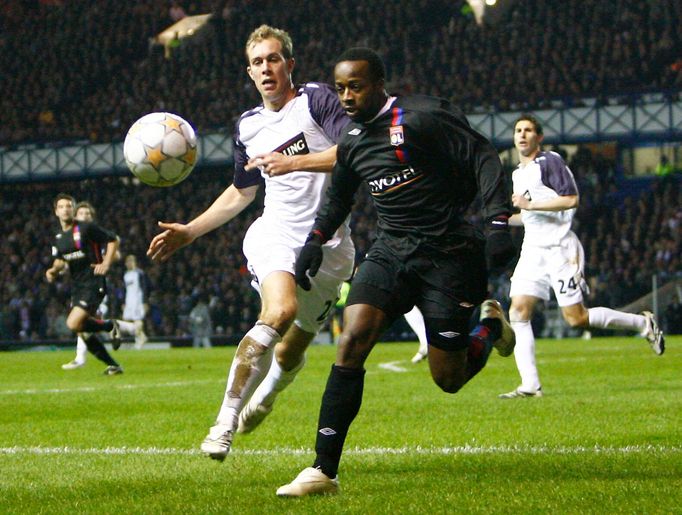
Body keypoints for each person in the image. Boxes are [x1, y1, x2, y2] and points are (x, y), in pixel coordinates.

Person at [276, 47, 517, 497]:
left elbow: (483, 155)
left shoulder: (422, 117)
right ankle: (322, 471)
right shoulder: (350, 142)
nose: (346, 96)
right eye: (341, 87)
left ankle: (488, 327)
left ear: (379, 83)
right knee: (352, 339)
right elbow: (339, 198)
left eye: (356, 86)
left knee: (449, 378)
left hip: (449, 254)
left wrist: (498, 220)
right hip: (391, 251)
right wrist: (314, 241)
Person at [147, 25, 355, 460]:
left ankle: (270, 392)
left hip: (329, 247)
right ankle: (223, 422)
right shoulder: (247, 126)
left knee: (295, 343)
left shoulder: (316, 101)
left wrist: (294, 160)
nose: (266, 68)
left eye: (274, 59)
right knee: (280, 311)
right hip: (275, 233)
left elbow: (353, 151)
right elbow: (241, 192)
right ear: (249, 71)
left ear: (289, 65)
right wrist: (191, 229)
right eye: (258, 62)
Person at [499, 115, 665, 399]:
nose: (522, 135)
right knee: (518, 311)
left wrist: (530, 204)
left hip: (561, 249)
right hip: (532, 251)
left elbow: (571, 199)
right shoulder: (518, 174)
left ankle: (642, 324)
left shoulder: (549, 162)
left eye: (528, 130)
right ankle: (530, 385)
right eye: (518, 130)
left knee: (576, 319)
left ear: (539, 137)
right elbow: (529, 217)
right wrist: (503, 220)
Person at [46, 194, 127, 375]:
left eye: (69, 206)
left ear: (73, 210)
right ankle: (113, 365)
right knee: (83, 330)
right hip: (77, 285)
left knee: (74, 323)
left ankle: (109, 326)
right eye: (62, 206)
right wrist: (53, 270)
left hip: (93, 281)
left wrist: (105, 263)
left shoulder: (85, 228)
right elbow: (60, 260)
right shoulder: (58, 237)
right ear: (56, 211)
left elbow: (113, 239)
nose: (66, 209)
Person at [122, 254, 150, 349]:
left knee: (137, 320)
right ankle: (141, 336)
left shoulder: (139, 273)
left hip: (137, 300)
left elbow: (144, 288)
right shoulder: (125, 275)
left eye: (131, 261)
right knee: (126, 320)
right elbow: (125, 290)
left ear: (134, 262)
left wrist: (144, 302)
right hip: (128, 301)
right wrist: (124, 302)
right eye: (127, 262)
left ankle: (139, 339)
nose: (129, 264)